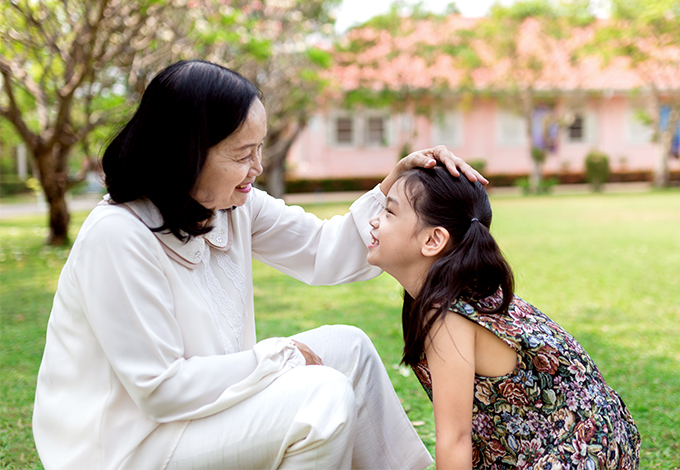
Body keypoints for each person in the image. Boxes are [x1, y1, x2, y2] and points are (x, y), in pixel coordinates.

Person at [32, 59, 486, 470]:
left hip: (202, 416)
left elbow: (325, 250)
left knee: (349, 349)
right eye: (241, 153)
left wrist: (395, 182)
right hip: (127, 447)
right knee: (320, 399)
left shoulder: (232, 205)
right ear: (186, 152)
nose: (257, 167)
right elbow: (162, 390)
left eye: (260, 148)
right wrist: (281, 357)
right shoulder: (118, 234)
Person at [366, 164, 641, 469]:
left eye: (389, 212)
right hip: (603, 443)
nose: (373, 221)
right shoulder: (468, 285)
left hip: (574, 456)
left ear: (433, 240)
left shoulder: (447, 314)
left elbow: (455, 438)